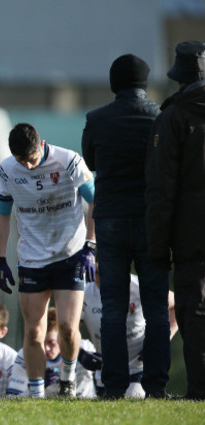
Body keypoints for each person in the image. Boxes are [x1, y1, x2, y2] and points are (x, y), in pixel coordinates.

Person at [81, 53, 171, 399]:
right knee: (156, 308)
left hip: (111, 219)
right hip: (151, 220)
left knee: (114, 308)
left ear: (113, 83)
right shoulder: (161, 118)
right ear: (145, 83)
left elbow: (91, 160)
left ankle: (114, 385)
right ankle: (157, 384)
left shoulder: (97, 119)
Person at [0, 122, 96, 398]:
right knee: (33, 331)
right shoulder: (6, 170)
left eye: (31, 159)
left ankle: (67, 379)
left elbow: (96, 200)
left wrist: (90, 245)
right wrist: (0, 258)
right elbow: (2, 213)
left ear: (41, 145)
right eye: (20, 160)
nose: (27, 166)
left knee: (66, 326)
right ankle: (37, 392)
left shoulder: (69, 161)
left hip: (70, 255)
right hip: (32, 259)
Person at [146, 40, 205, 400]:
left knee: (193, 309)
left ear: (179, 78)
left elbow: (161, 188)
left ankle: (199, 389)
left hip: (191, 231)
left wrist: (157, 245)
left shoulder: (172, 117)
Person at [82, 264, 178, 398]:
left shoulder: (139, 286)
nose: (102, 281)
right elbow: (64, 326)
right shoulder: (84, 294)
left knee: (134, 398)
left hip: (138, 368)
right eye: (97, 276)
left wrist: (162, 340)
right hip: (104, 373)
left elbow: (176, 304)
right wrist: (80, 354)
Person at [7, 307, 97, 398]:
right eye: (41, 342)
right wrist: (33, 388)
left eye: (51, 342)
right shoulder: (25, 356)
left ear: (62, 337)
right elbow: (12, 398)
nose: (46, 348)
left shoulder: (85, 350)